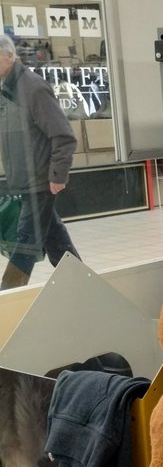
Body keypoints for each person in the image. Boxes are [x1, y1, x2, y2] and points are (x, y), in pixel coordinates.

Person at [0, 34, 81, 289]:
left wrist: (58, 175)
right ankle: (83, 286)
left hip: (39, 182)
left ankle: (6, 299)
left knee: (25, 243)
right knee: (55, 240)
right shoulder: (6, 90)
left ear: (8, 56)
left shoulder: (33, 88)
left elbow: (63, 136)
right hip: (22, 183)